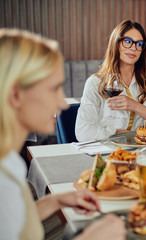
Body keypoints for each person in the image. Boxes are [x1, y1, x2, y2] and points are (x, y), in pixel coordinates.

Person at [0, 29, 126, 239]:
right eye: (54, 88)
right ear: (15, 94)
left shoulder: (9, 160)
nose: (62, 101)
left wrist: (55, 201)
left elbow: (14, 224)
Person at [75, 20, 146, 141]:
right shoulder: (95, 83)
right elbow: (82, 131)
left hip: (143, 151)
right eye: (127, 41)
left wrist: (136, 106)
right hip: (108, 150)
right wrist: (119, 133)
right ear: (116, 44)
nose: (133, 48)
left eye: (139, 44)